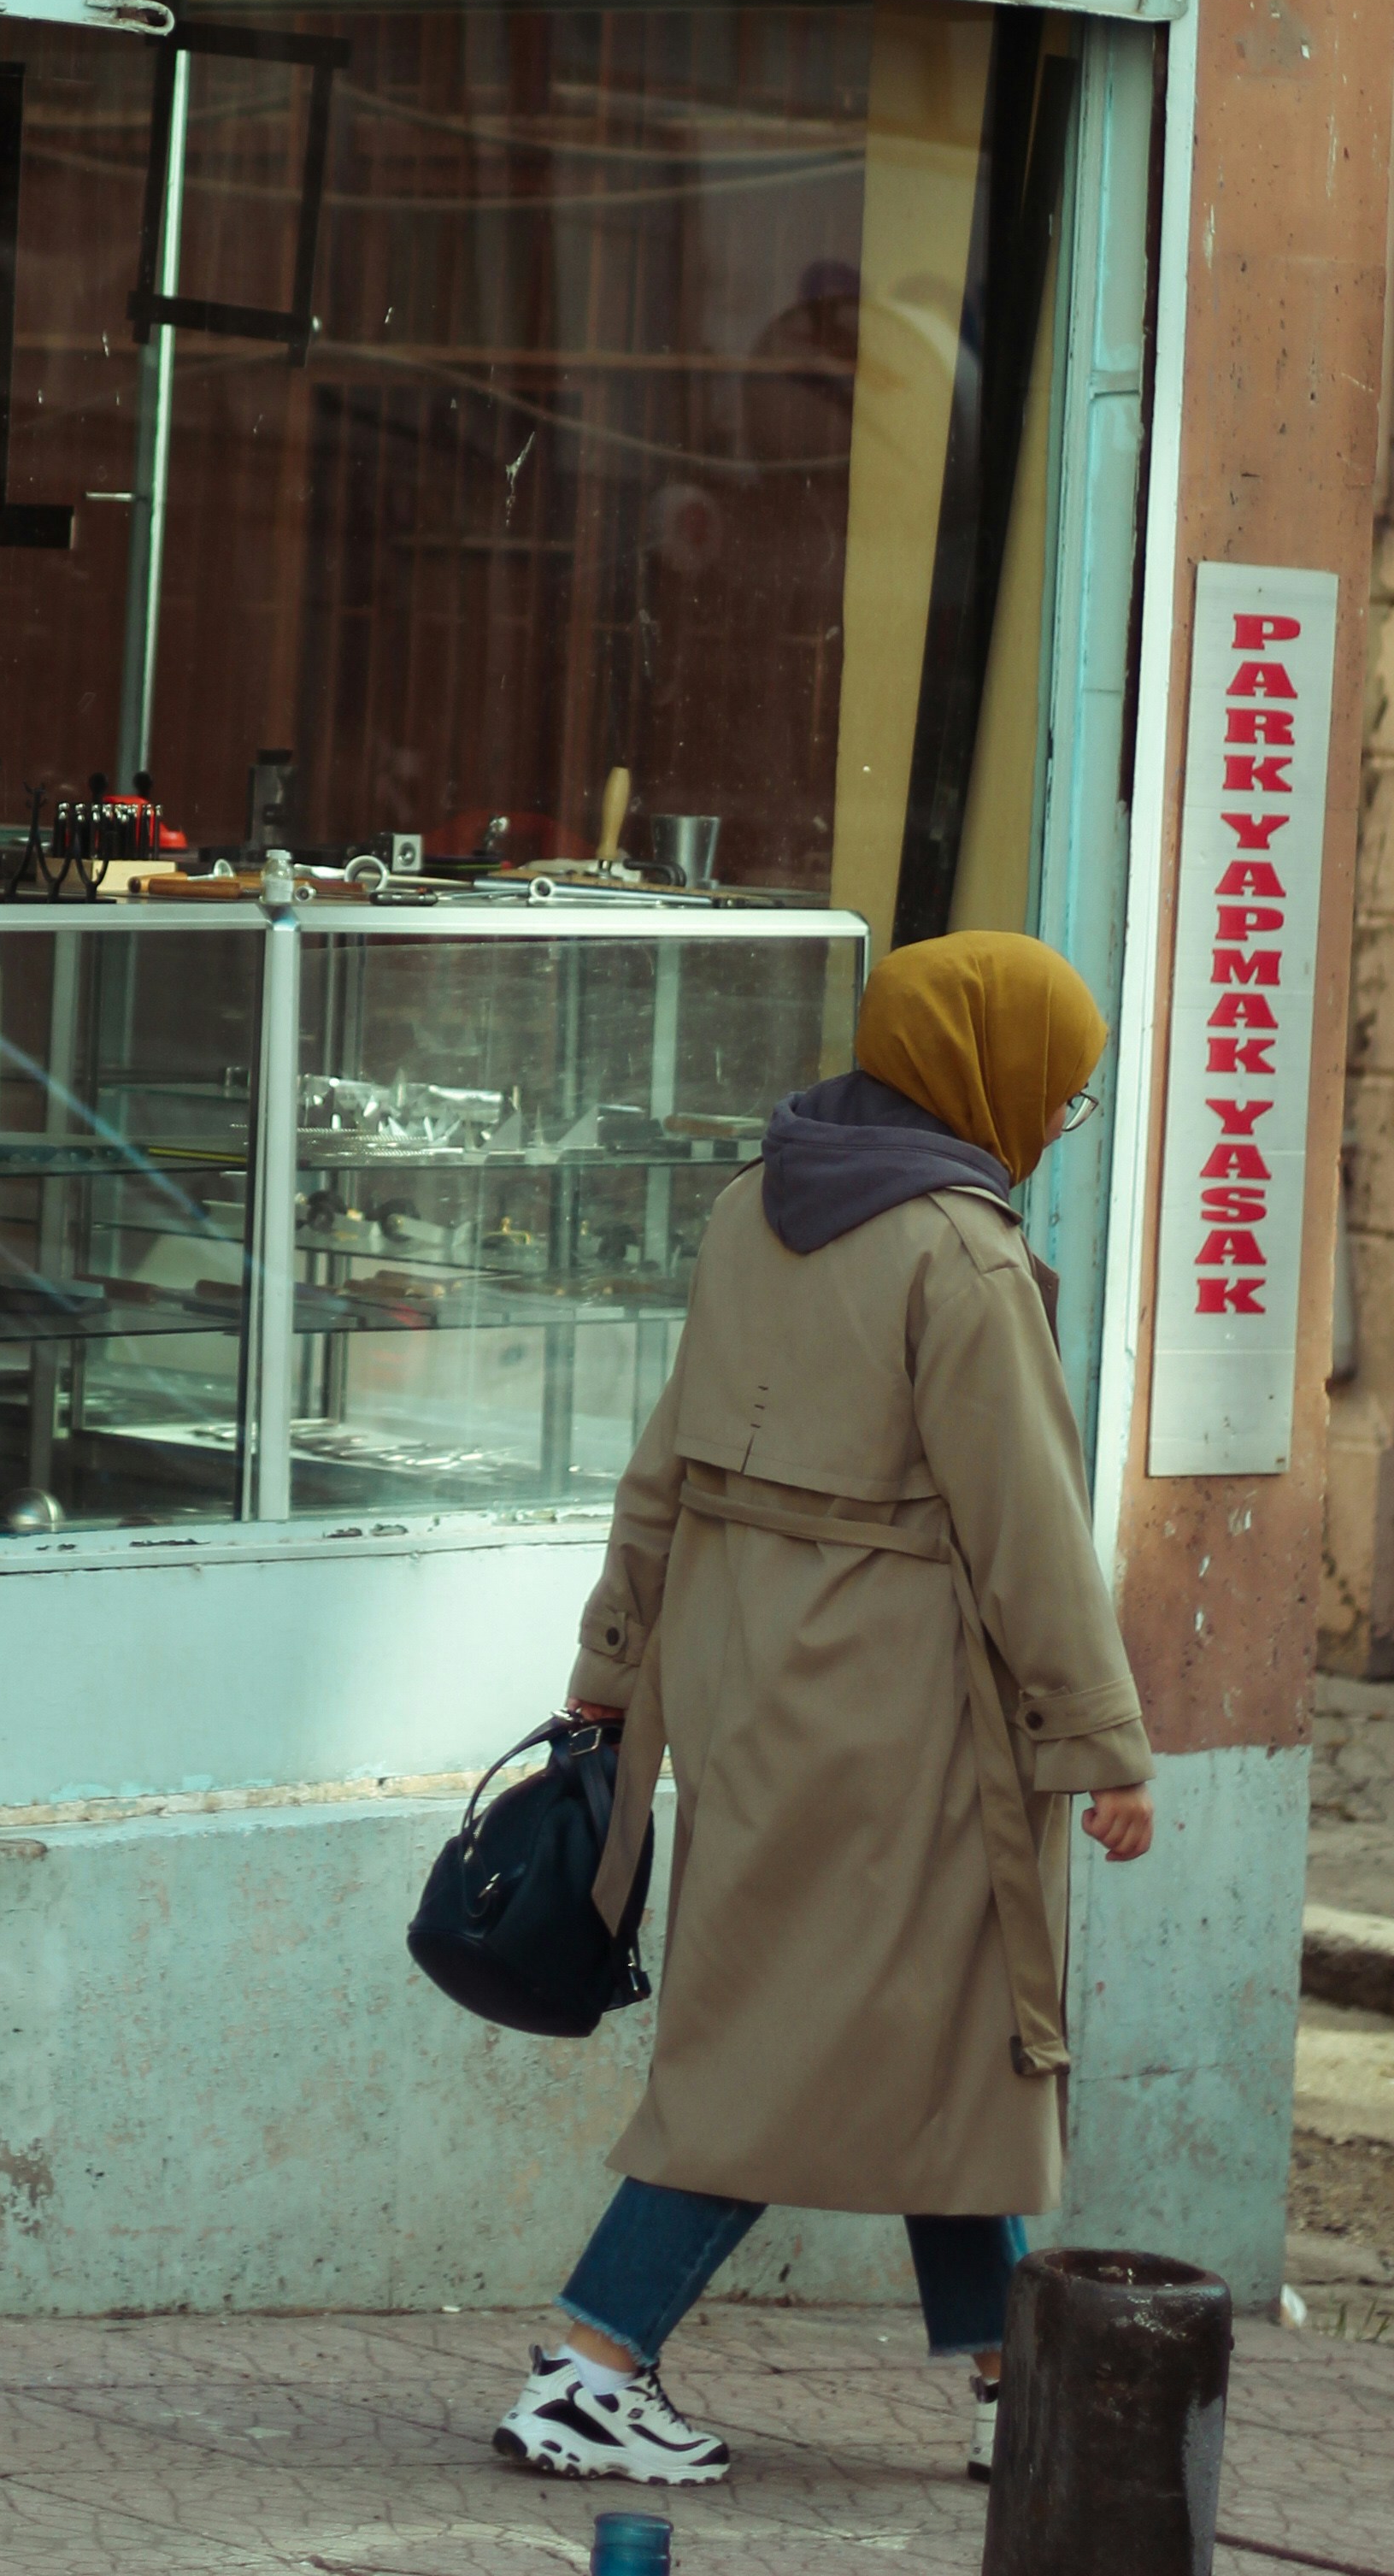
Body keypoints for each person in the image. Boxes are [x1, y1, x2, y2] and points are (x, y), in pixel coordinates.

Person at [496, 929, 1156, 2495]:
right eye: (1055, 1094)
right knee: (794, 2047)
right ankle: (593, 2365)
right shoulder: (960, 1253)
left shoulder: (752, 1207)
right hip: (896, 1709)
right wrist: (1101, 1740)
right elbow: (1028, 1529)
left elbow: (665, 1457)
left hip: (744, 1681)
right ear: (985, 1073)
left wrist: (613, 1655)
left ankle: (1016, 2385)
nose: (1054, 1120)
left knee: (935, 2021)